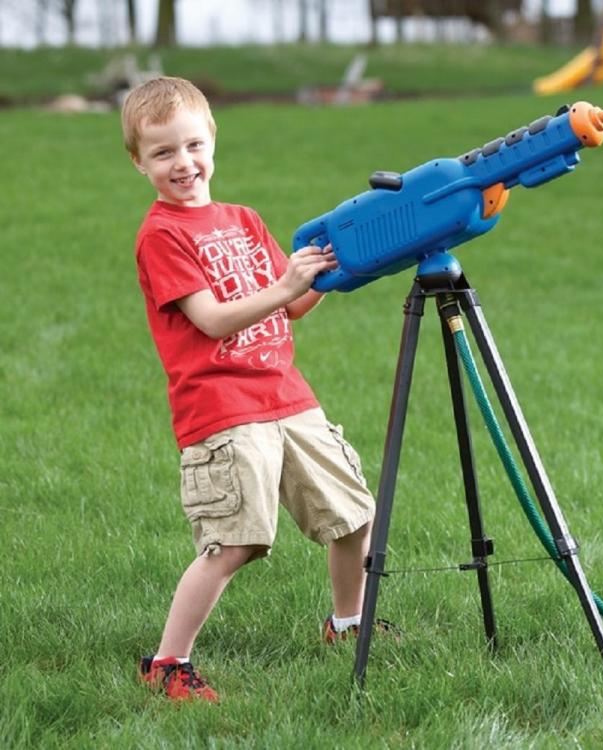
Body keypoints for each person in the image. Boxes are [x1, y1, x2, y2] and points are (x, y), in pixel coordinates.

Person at [122, 76, 381, 702]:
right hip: (222, 408)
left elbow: (291, 309)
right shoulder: (162, 236)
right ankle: (168, 663)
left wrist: (336, 269)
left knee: (353, 517)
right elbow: (210, 319)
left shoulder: (243, 220)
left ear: (211, 139)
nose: (182, 163)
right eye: (162, 153)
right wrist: (288, 285)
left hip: (289, 396)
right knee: (233, 543)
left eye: (190, 145)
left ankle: (346, 625)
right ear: (139, 163)